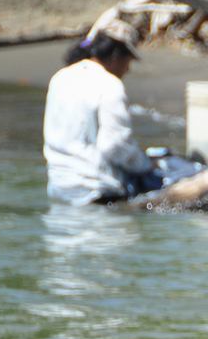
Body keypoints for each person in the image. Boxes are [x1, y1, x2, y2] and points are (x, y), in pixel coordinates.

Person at [43, 18, 157, 205]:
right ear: (116, 56)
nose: (128, 69)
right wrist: (146, 165)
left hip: (60, 190)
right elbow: (115, 146)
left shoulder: (60, 78)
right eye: (128, 61)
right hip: (97, 191)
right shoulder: (110, 85)